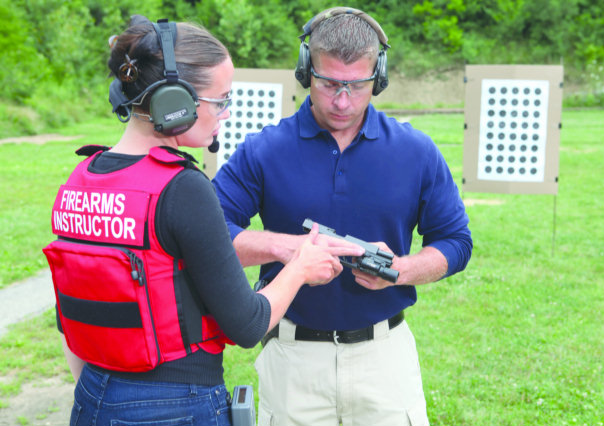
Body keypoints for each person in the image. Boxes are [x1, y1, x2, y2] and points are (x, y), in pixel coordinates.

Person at [42, 15, 363, 426]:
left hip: (92, 395)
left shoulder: (81, 178)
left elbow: (71, 319)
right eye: (221, 100)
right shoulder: (182, 188)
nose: (225, 113)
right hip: (176, 403)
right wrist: (299, 268)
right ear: (175, 102)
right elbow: (248, 324)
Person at [212, 6, 473, 426]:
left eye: (357, 85)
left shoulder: (416, 151)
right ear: (305, 71)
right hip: (293, 361)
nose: (342, 100)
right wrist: (288, 249)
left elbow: (457, 242)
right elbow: (210, 237)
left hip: (385, 359)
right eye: (328, 83)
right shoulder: (264, 150)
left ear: (379, 78)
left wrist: (402, 270)